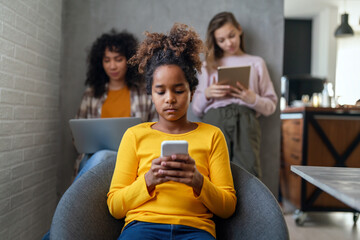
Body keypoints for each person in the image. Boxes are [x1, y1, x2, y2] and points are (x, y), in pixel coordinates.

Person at [107, 23, 236, 240]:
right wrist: (148, 180)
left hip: (196, 230)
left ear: (192, 92)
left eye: (178, 90)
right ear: (150, 94)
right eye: (160, 91)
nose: (170, 99)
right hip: (143, 226)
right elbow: (114, 206)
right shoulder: (134, 136)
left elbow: (228, 207)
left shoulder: (213, 136)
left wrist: (197, 181)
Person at [192, 12, 278, 178]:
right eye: (221, 40)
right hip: (215, 119)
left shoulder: (256, 62)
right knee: (213, 171)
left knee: (248, 174)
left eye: (231, 36)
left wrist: (253, 99)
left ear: (239, 30)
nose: (229, 43)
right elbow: (196, 110)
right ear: (215, 42)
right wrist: (208, 94)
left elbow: (271, 106)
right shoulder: (207, 66)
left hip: (246, 120)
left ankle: (248, 205)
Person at [73, 29, 157, 179]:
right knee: (95, 157)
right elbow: (77, 136)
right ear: (100, 63)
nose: (112, 66)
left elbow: (156, 129)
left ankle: (71, 201)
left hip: (131, 157)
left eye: (118, 59)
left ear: (129, 60)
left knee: (102, 156)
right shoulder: (91, 95)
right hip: (92, 157)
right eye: (107, 60)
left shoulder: (144, 93)